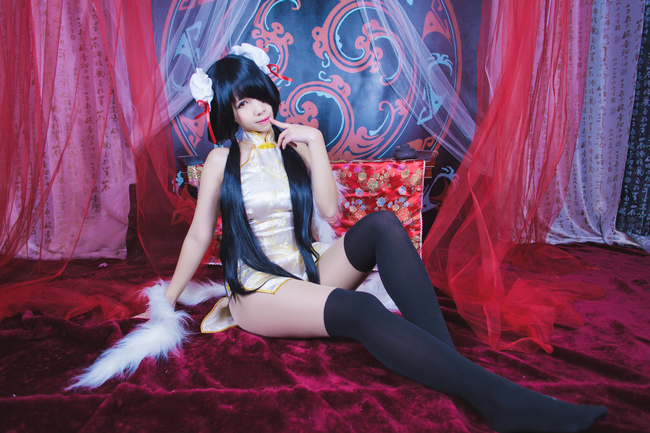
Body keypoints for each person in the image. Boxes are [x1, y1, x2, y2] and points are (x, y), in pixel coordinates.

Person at [78, 45, 608, 433]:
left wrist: (313, 143)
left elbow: (329, 213)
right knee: (361, 311)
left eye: (259, 95)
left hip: (306, 267)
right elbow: (199, 236)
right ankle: (499, 399)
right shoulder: (221, 160)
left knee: (382, 224)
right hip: (261, 290)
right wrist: (166, 301)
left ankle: (449, 367)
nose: (258, 109)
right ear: (226, 112)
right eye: (242, 104)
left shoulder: (293, 143)